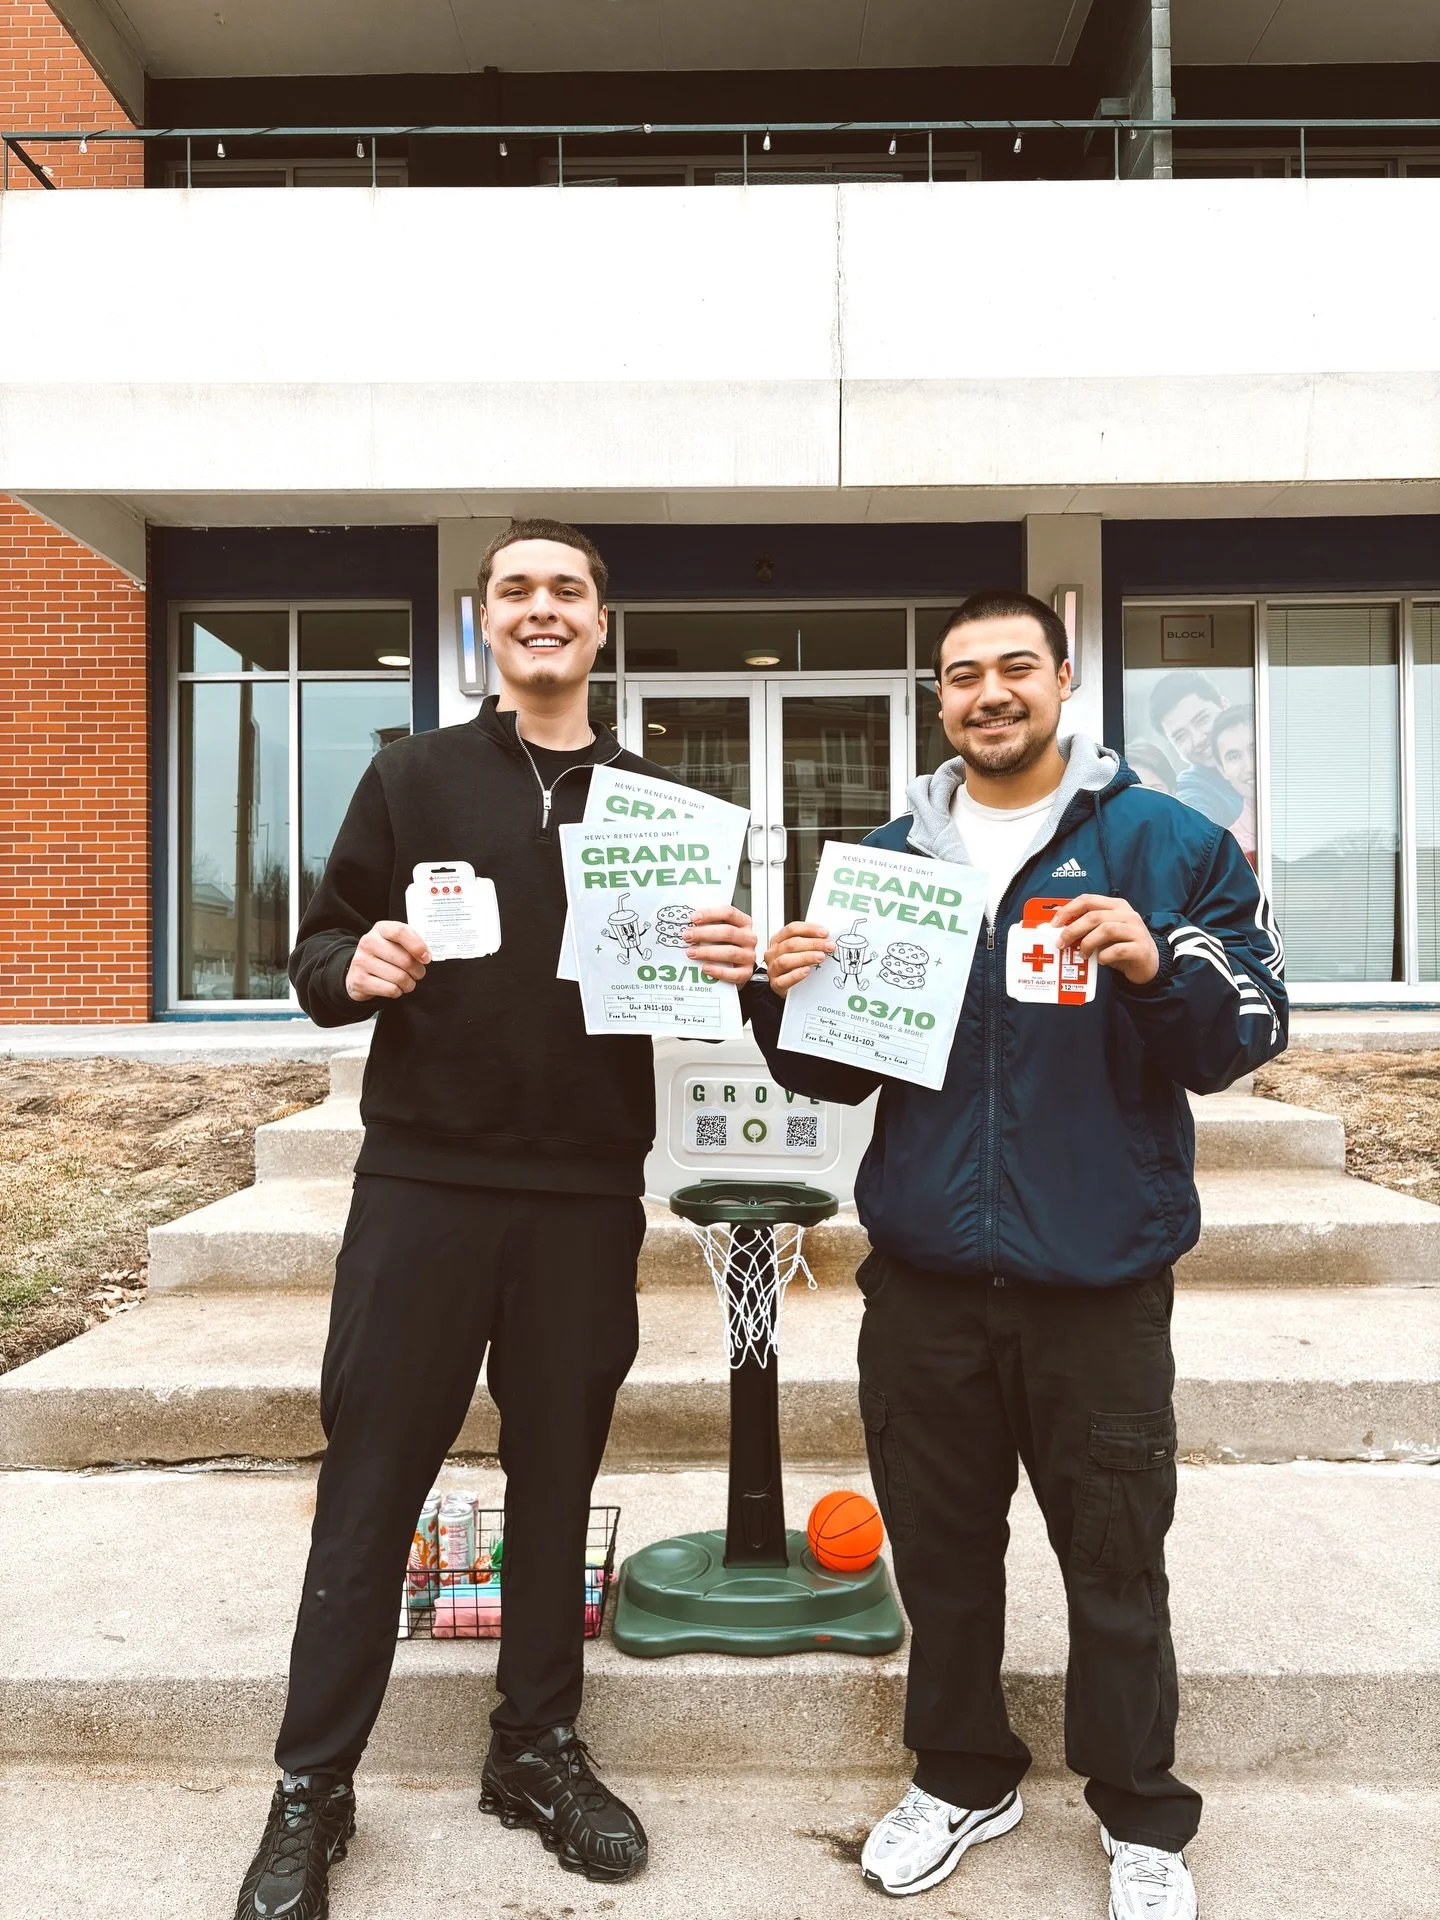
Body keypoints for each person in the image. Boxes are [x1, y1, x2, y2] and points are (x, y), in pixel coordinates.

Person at [234, 519, 757, 1920]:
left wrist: (738, 964)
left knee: (557, 1480)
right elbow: (317, 949)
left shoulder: (660, 807)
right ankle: (312, 1785)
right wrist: (358, 964)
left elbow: (706, 986)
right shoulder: (411, 776)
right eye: (516, 588)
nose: (542, 608)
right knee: (372, 1484)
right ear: (485, 623)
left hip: (584, 1192)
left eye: (566, 590)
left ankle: (534, 1746)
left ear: (600, 623)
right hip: (424, 1184)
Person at [747, 590, 1286, 1916]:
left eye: (1014, 668)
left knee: (1114, 1559)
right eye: (961, 675)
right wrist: (777, 992)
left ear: (1061, 680)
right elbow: (833, 1072)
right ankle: (961, 1775)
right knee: (940, 1557)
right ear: (938, 700)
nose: (988, 693)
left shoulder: (1166, 842)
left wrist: (1157, 966)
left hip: (1096, 1282)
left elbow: (1248, 1032)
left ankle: (1140, 1811)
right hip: (926, 1281)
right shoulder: (887, 863)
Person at [1149, 670, 1244, 831]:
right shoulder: (1193, 790)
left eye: (1202, 719)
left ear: (1224, 705)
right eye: (1181, 736)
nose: (1198, 739)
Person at [1210, 705, 1257, 864]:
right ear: (1222, 769)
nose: (1249, 766)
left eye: (1255, 749)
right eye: (1234, 757)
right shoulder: (1229, 851)